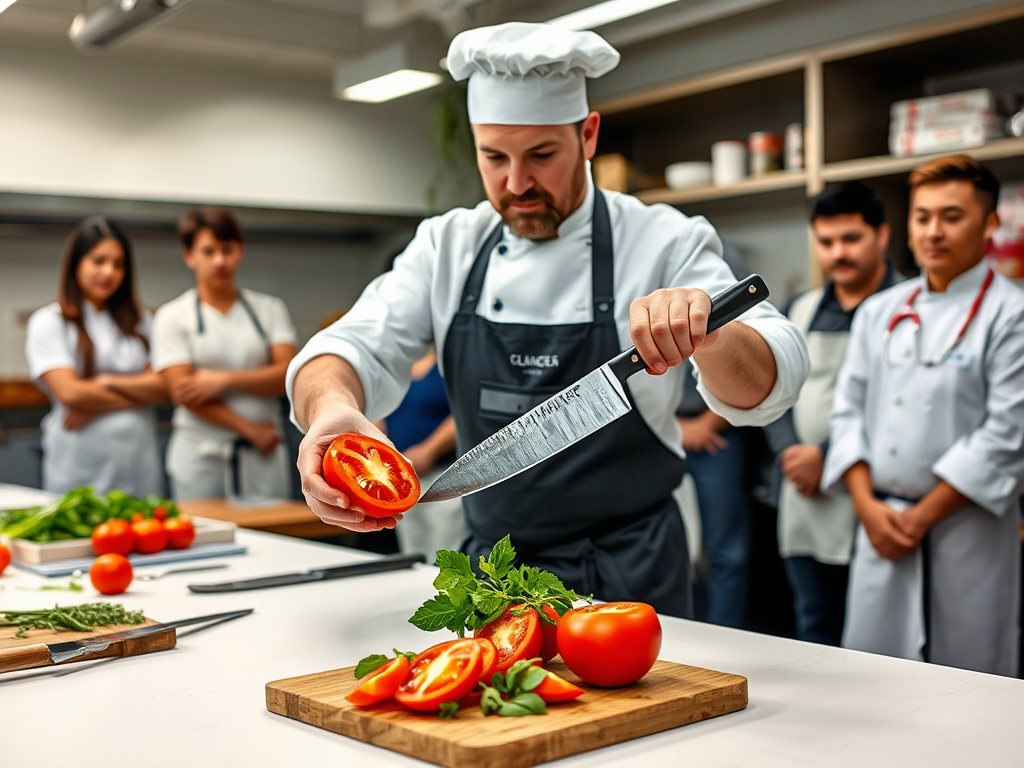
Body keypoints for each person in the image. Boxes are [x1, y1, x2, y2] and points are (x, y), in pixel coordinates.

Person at [287, 22, 808, 618]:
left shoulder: (662, 240)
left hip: (631, 578)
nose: (515, 184)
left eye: (541, 155)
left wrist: (712, 334)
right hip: (492, 574)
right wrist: (332, 410)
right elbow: (345, 348)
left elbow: (774, 377)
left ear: (587, 135)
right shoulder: (448, 245)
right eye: (493, 157)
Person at [822, 155, 1024, 677]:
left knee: (971, 676)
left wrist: (920, 516)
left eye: (952, 216)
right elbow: (846, 414)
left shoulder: (1012, 313)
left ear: (990, 222)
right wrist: (867, 507)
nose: (933, 231)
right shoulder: (879, 311)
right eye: (922, 216)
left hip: (966, 523)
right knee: (874, 677)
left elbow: (1005, 436)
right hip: (881, 522)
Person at [765, 181, 897, 646]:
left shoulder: (903, 308)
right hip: (802, 492)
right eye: (826, 242)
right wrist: (791, 453)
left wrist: (827, 455)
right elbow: (772, 389)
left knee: (873, 630)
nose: (837, 252)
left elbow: (895, 401)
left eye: (851, 239)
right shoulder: (797, 309)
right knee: (812, 622)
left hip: (870, 492)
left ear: (881, 235)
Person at [152, 207, 298, 500]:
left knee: (275, 539)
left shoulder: (269, 309)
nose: (220, 260)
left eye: (227, 250)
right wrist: (249, 429)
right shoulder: (172, 316)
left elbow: (287, 374)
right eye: (208, 251)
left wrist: (222, 381)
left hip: (265, 451)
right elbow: (183, 391)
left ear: (240, 251)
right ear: (189, 256)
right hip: (202, 455)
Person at [25, 216, 165, 497]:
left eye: (118, 263)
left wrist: (101, 390)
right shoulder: (49, 322)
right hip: (78, 465)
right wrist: (138, 388)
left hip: (139, 464)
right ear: (76, 262)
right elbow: (71, 394)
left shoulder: (141, 321)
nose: (109, 272)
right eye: (98, 261)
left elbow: (163, 387)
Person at [675, 243, 753, 628]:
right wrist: (674, 427)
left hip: (718, 430)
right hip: (660, 432)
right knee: (675, 552)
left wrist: (709, 422)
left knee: (727, 552)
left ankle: (726, 639)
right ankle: (687, 640)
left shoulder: (723, 256)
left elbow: (752, 352)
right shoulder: (634, 258)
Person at [383, 350, 463, 563]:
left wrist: (429, 450)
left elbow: (463, 414)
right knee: (411, 554)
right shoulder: (401, 366)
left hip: (442, 476)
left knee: (445, 556)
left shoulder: (453, 364)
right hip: (401, 479)